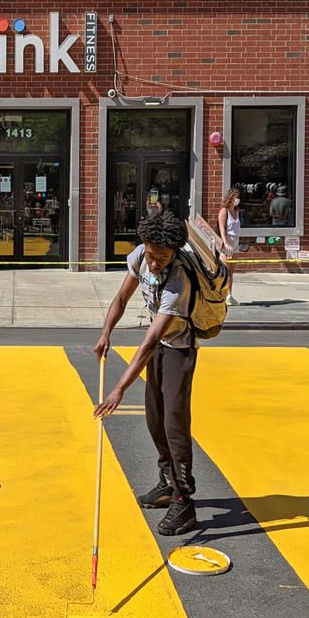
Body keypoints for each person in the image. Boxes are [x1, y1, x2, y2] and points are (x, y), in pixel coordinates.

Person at [94, 210, 201, 536]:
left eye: (162, 258)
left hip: (179, 348)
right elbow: (121, 298)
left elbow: (151, 339)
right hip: (160, 346)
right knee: (154, 418)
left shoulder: (178, 281)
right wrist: (106, 331)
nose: (154, 263)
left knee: (174, 422)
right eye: (152, 255)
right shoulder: (141, 255)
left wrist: (119, 388)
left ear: (174, 253)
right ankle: (167, 481)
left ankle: (184, 500)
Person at [217, 187, 241, 306]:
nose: (237, 199)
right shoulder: (224, 211)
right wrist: (225, 243)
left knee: (231, 272)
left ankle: (229, 295)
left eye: (238, 197)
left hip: (235, 243)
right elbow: (222, 229)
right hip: (227, 244)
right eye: (235, 197)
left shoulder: (237, 211)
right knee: (225, 272)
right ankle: (222, 294)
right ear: (230, 198)